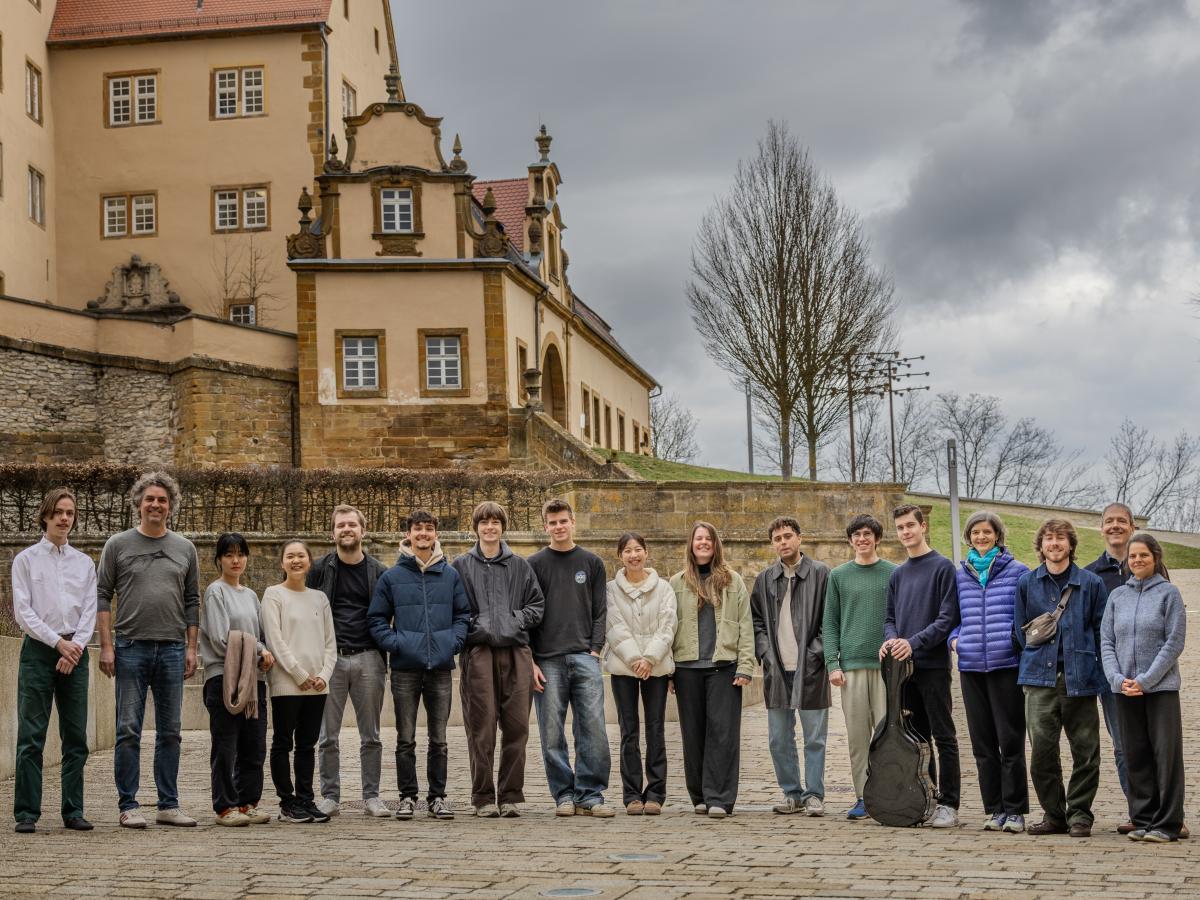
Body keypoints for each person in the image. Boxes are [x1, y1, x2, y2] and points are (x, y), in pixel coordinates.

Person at [96, 471, 200, 829]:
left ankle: (168, 805)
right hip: (129, 647)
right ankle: (128, 805)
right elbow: (102, 595)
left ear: (170, 506)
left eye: (162, 500)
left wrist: (191, 647)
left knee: (171, 731)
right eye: (150, 499)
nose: (156, 504)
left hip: (172, 648)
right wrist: (106, 646)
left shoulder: (185, 548)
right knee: (128, 729)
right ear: (138, 504)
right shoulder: (118, 545)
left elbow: (192, 600)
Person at [368, 510, 469, 821]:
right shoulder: (392, 577)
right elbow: (376, 619)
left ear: (436, 534)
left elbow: (462, 616)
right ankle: (407, 797)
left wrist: (452, 643)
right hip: (404, 669)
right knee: (405, 738)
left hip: (440, 668)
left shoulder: (450, 575)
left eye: (428, 529)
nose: (423, 533)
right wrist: (398, 644)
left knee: (439, 739)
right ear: (408, 535)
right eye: (417, 529)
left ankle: (437, 797)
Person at [1015, 518, 1108, 838]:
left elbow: (1100, 633)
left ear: (1071, 545)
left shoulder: (1091, 583)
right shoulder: (1027, 583)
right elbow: (1020, 630)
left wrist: (1099, 673)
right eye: (1048, 539)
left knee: (1086, 751)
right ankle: (1054, 814)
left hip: (1080, 679)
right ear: (1040, 546)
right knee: (1042, 752)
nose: (1054, 544)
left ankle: (1080, 814)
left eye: (1060, 538)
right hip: (1039, 681)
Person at [12, 488, 97, 834]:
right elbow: (23, 612)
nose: (65, 518)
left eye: (70, 513)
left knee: (76, 737)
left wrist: (74, 647)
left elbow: (90, 609)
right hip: (38, 652)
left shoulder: (84, 563)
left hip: (75, 653)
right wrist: (57, 644)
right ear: (45, 516)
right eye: (59, 512)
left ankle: (73, 810)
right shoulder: (26, 560)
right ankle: (27, 813)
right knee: (32, 734)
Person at [451, 501, 545, 818]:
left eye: (495, 522)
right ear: (475, 527)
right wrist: (478, 626)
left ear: (503, 527)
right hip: (477, 654)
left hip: (516, 653)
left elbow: (536, 606)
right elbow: (454, 610)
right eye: (484, 522)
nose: (490, 527)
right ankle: (483, 797)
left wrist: (512, 620)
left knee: (517, 727)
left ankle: (509, 794)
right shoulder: (461, 566)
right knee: (482, 728)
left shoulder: (519, 565)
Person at [528, 498, 613, 817]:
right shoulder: (534, 564)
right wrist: (531, 659)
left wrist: (595, 648)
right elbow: (527, 613)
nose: (558, 527)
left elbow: (600, 610)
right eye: (552, 523)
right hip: (546, 659)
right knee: (551, 733)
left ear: (573, 522)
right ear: (545, 526)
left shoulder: (591, 562)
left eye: (563, 521)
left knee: (593, 728)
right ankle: (563, 794)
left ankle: (590, 794)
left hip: (584, 656)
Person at [1100, 534, 1186, 843]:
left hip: (1160, 689)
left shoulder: (1169, 595)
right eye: (1132, 556)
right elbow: (1106, 642)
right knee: (1135, 754)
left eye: (1143, 556)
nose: (1137, 560)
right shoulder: (1117, 597)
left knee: (1165, 755)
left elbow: (1174, 642)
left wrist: (1147, 680)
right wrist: (1117, 679)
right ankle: (1144, 819)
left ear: (1156, 558)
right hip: (1124, 689)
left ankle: (1168, 823)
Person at [949, 511, 1030, 833]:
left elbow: (1027, 617)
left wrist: (1013, 641)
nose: (981, 537)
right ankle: (994, 808)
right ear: (969, 537)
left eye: (987, 532)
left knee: (1010, 741)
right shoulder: (960, 576)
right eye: (976, 533)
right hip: (971, 667)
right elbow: (952, 616)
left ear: (998, 535)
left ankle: (1016, 810)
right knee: (983, 744)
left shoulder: (1018, 572)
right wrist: (956, 640)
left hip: (1005, 666)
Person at [880, 504, 961, 828]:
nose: (905, 532)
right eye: (900, 528)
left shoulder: (943, 568)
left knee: (944, 736)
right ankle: (924, 800)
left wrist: (912, 642)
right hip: (903, 671)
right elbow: (889, 619)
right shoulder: (898, 574)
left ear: (922, 526)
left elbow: (946, 620)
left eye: (910, 526)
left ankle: (949, 804)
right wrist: (891, 640)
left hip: (933, 667)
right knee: (917, 738)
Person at [307, 505, 389, 818]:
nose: (346, 529)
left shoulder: (379, 571)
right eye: (341, 525)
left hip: (369, 658)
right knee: (328, 735)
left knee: (372, 735)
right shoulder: (319, 569)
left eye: (352, 524)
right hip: (331, 660)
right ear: (333, 532)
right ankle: (330, 796)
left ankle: (372, 796)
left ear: (362, 531)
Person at [670, 521, 755, 818]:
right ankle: (700, 796)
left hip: (724, 667)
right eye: (698, 539)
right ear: (690, 545)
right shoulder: (677, 582)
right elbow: (669, 626)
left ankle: (719, 797)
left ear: (716, 544)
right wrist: (669, 670)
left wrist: (745, 665)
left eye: (708, 539)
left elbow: (746, 624)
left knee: (723, 735)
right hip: (686, 668)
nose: (703, 543)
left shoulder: (733, 581)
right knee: (693, 735)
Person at [751, 516, 830, 818]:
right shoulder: (765, 579)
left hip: (811, 668)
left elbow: (829, 619)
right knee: (778, 738)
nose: (783, 542)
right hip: (777, 669)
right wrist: (765, 653)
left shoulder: (821, 574)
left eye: (787, 536)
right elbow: (756, 620)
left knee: (815, 738)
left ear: (799, 538)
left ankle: (814, 795)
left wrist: (815, 653)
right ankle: (791, 793)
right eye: (777, 538)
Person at [823, 514, 895, 820]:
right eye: (856, 535)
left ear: (877, 538)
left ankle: (889, 795)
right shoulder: (838, 576)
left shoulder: (894, 573)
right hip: (850, 668)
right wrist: (832, 663)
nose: (862, 539)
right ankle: (863, 796)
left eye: (867, 534)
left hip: (886, 667)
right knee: (857, 737)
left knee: (887, 734)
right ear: (850, 540)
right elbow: (830, 623)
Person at [198, 533, 274, 827]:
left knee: (254, 745)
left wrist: (263, 651)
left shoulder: (251, 595)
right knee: (226, 746)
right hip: (224, 678)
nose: (235, 560)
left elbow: (261, 634)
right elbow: (220, 639)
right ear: (218, 559)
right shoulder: (216, 592)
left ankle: (247, 802)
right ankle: (225, 806)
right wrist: (258, 650)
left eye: (240, 554)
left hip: (254, 680)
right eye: (229, 554)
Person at [261, 540, 337, 825]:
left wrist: (324, 675)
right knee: (283, 742)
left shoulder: (319, 598)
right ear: (282, 563)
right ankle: (287, 802)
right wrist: (299, 674)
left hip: (317, 685)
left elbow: (330, 642)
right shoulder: (273, 595)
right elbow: (275, 640)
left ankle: (306, 798)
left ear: (309, 561)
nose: (296, 561)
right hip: (287, 683)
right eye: (290, 556)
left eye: (301, 556)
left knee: (307, 744)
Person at [604, 531, 677, 816]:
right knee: (628, 731)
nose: (633, 556)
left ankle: (656, 793)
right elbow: (614, 626)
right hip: (624, 668)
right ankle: (632, 794)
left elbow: (668, 624)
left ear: (646, 552)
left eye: (638, 550)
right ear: (620, 556)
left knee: (655, 729)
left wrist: (650, 658)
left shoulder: (664, 588)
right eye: (627, 551)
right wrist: (635, 658)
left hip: (656, 668)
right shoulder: (611, 589)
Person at [1083, 501, 1135, 829]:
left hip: (1149, 673)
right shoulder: (1090, 574)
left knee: (1156, 743)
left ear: (1132, 527)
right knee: (1123, 744)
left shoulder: (1149, 564)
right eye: (1109, 521)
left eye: (1122, 521)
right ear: (1101, 528)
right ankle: (1139, 811)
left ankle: (1166, 810)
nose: (1115, 526)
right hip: (1111, 675)